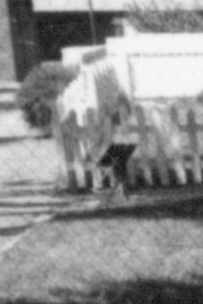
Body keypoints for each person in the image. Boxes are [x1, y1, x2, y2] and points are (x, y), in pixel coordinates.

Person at [54, 48, 141, 200]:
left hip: (108, 122)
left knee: (112, 150)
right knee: (109, 150)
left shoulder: (103, 75)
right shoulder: (102, 74)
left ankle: (115, 185)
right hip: (103, 121)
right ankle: (114, 185)